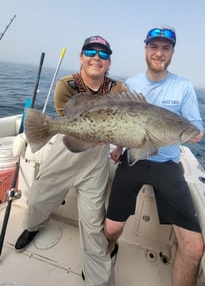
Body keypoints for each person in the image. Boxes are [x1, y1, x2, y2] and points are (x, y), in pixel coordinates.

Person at [15, 35, 127, 286]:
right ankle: (33, 225)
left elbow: (126, 120)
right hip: (67, 146)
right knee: (38, 198)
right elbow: (69, 123)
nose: (97, 57)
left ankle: (97, 275)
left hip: (96, 160)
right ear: (81, 57)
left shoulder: (119, 89)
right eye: (91, 51)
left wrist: (119, 145)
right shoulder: (66, 84)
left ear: (109, 63)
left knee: (92, 221)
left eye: (104, 54)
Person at [104, 26, 205, 286]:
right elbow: (120, 122)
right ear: (146, 49)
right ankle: (110, 250)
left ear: (172, 52)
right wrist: (118, 146)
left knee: (194, 248)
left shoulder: (183, 86)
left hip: (167, 164)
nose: (159, 53)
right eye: (154, 47)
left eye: (165, 48)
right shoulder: (133, 84)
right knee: (111, 229)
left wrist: (189, 133)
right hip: (133, 158)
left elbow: (196, 129)